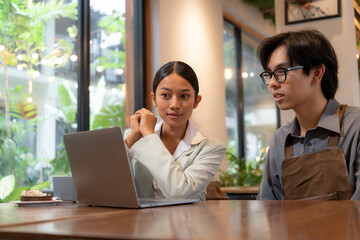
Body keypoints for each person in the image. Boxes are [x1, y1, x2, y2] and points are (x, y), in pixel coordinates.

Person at [257, 29, 360, 200]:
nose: (273, 83)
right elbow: (269, 210)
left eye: (281, 72)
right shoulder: (280, 139)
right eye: (269, 74)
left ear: (316, 73)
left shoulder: (355, 127)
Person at [124, 61, 226, 201]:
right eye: (166, 95)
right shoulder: (132, 136)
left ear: (196, 101)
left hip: (187, 222)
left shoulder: (211, 147)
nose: (174, 105)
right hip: (138, 222)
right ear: (154, 99)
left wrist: (149, 136)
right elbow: (108, 186)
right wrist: (129, 143)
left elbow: (179, 192)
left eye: (184, 96)